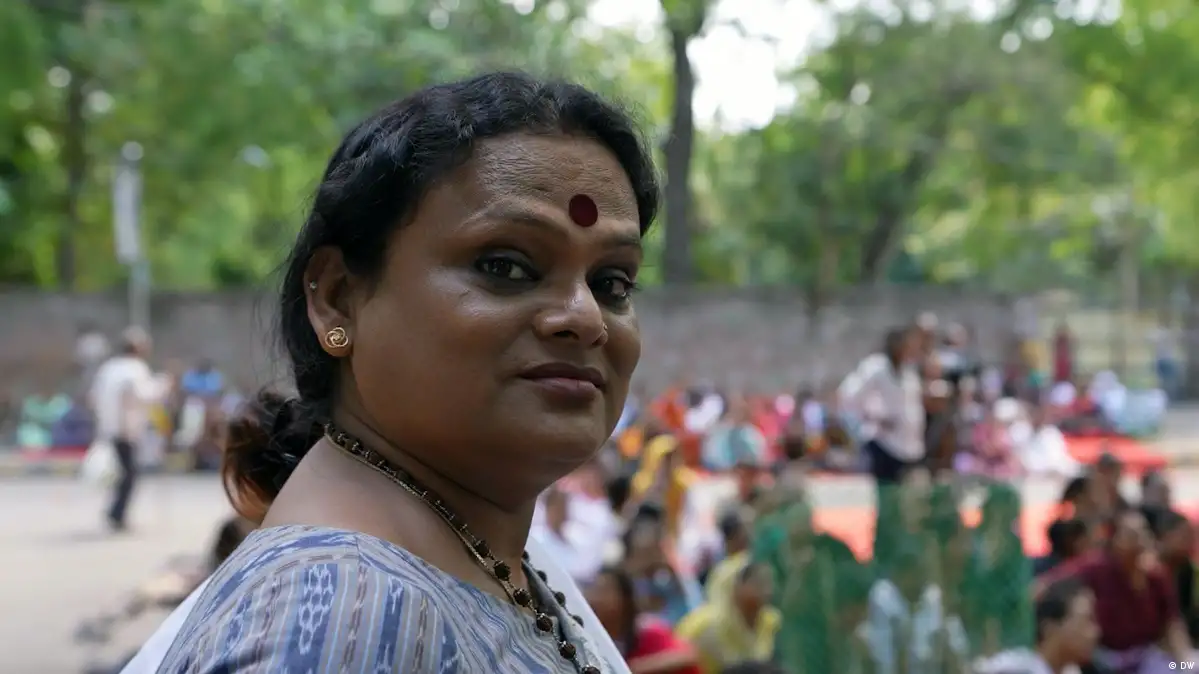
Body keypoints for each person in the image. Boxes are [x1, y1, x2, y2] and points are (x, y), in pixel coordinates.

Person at [153, 72, 661, 673]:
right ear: (337, 300)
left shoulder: (481, 558)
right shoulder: (343, 616)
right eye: (506, 266)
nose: (585, 317)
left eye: (612, 283)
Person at [1039, 509, 1193, 672]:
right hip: (1104, 659)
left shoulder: (1157, 577)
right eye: (1131, 535)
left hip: (1145, 658)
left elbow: (1172, 623)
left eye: (1143, 533)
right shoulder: (1095, 568)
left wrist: (1186, 662)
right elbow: (1045, 584)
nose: (1139, 541)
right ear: (1114, 540)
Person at [88, 327, 171, 531]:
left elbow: (93, 397)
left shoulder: (109, 368)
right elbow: (143, 395)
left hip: (109, 427)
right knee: (129, 473)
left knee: (124, 472)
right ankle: (116, 514)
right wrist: (163, 384)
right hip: (126, 429)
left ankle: (116, 512)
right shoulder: (135, 369)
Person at [838, 326, 925, 485]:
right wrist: (873, 417)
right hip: (883, 443)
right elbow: (849, 395)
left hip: (907, 446)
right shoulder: (875, 367)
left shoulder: (908, 371)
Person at [585, 566, 700, 674]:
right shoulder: (590, 641)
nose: (596, 598)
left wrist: (630, 667)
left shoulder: (647, 629)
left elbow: (687, 656)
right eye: (594, 590)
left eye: (604, 591)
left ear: (625, 598)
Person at [974, 577, 1099, 674]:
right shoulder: (1013, 670)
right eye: (1087, 621)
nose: (1096, 632)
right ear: (1050, 628)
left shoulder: (1070, 671)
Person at [676, 561, 781, 674]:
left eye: (768, 582)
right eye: (757, 583)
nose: (767, 590)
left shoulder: (769, 622)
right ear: (735, 586)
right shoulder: (706, 626)